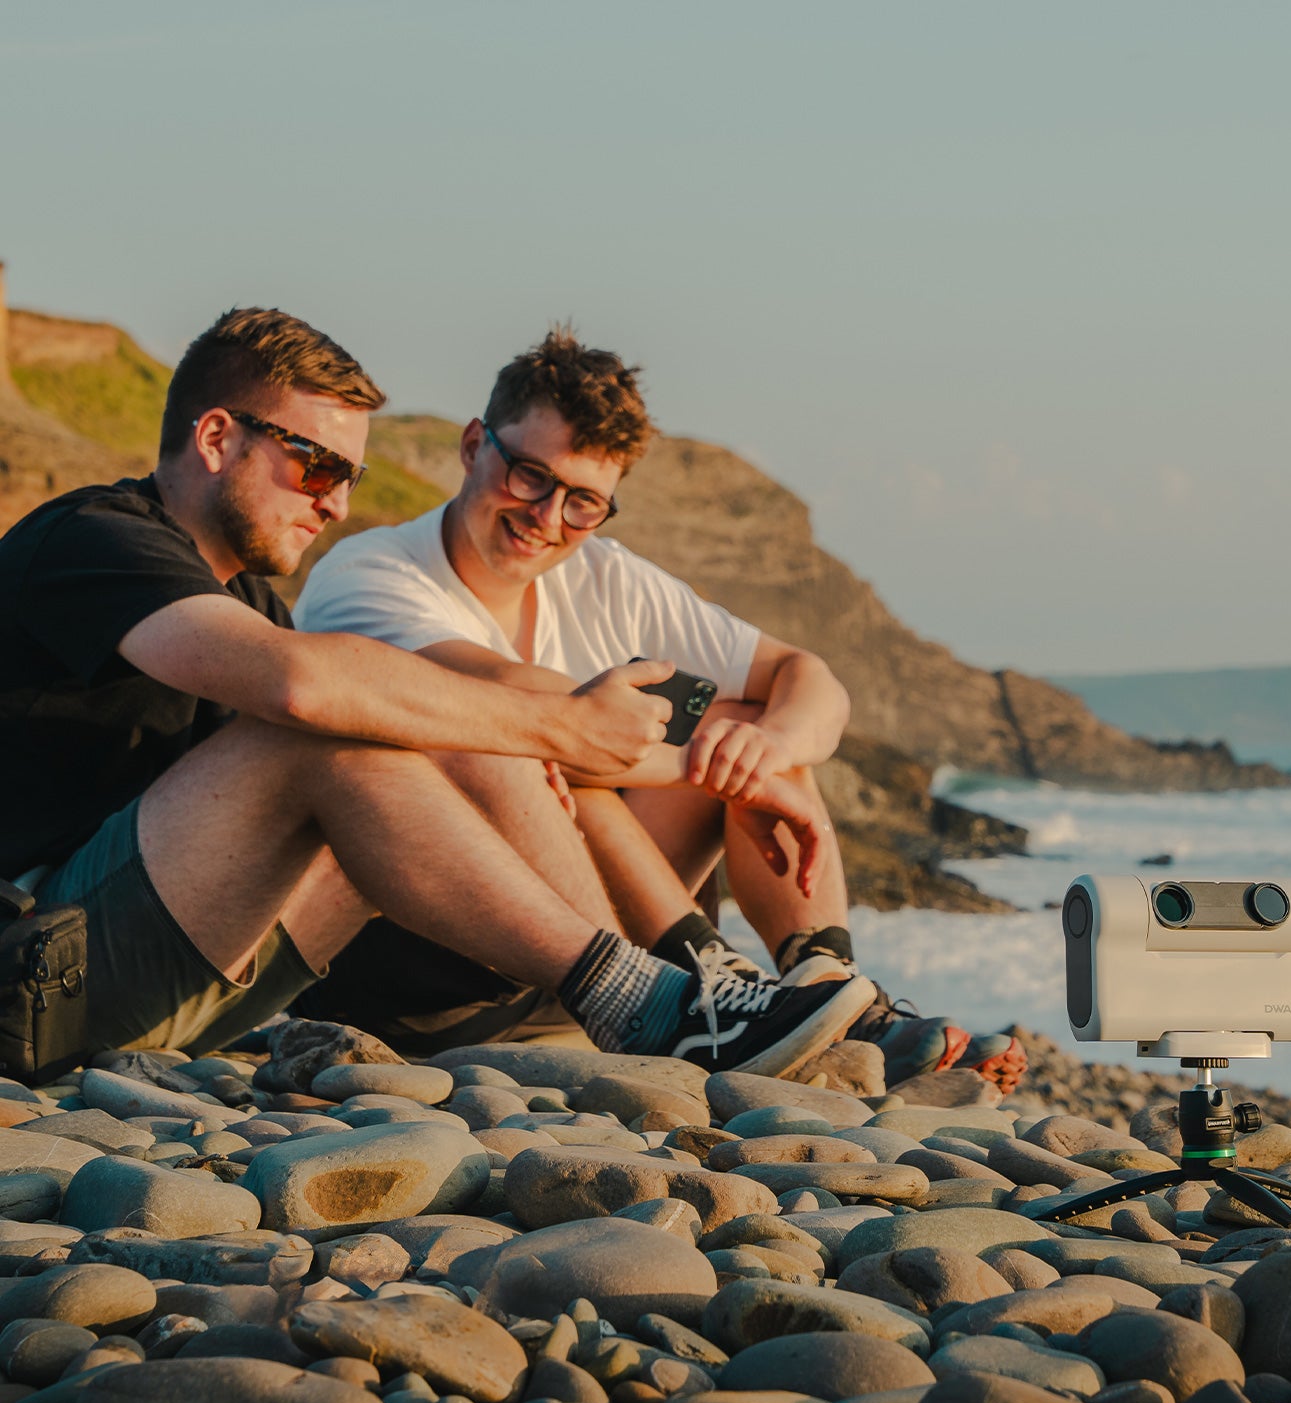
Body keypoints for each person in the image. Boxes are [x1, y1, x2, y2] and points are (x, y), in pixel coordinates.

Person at [0, 307, 877, 1078]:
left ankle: (715, 994)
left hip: (173, 973)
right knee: (349, 722)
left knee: (414, 719)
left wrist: (756, 757)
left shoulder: (251, 603)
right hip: (33, 974)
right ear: (218, 437)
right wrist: (564, 723)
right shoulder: (92, 538)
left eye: (350, 477)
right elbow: (299, 685)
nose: (337, 504)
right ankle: (653, 1000)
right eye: (314, 467)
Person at [294, 328, 1027, 1093]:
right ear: (475, 444)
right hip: (414, 972)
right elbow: (522, 709)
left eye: (583, 502)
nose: (547, 517)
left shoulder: (607, 578)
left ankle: (825, 993)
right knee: (548, 752)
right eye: (527, 476)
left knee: (748, 723)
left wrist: (766, 749)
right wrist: (727, 767)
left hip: (593, 986)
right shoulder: (373, 575)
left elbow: (809, 680)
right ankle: (722, 990)